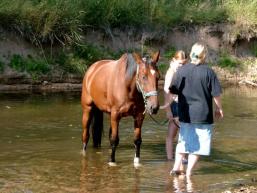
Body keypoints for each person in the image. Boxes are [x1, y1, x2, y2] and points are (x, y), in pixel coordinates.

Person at [169, 42, 224, 177]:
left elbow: (172, 90)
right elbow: (216, 94)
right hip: (203, 115)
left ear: (191, 53)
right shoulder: (209, 72)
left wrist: (176, 98)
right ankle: (188, 173)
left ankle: (176, 167)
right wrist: (219, 108)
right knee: (199, 146)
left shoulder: (181, 71)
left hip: (185, 113)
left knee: (184, 140)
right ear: (203, 55)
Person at [160, 50, 187, 161]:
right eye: (179, 63)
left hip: (182, 104)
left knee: (182, 132)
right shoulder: (171, 72)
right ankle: (171, 159)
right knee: (173, 133)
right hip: (174, 104)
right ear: (173, 60)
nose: (181, 65)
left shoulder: (182, 71)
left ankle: (180, 158)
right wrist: (168, 110)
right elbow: (166, 92)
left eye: (183, 63)